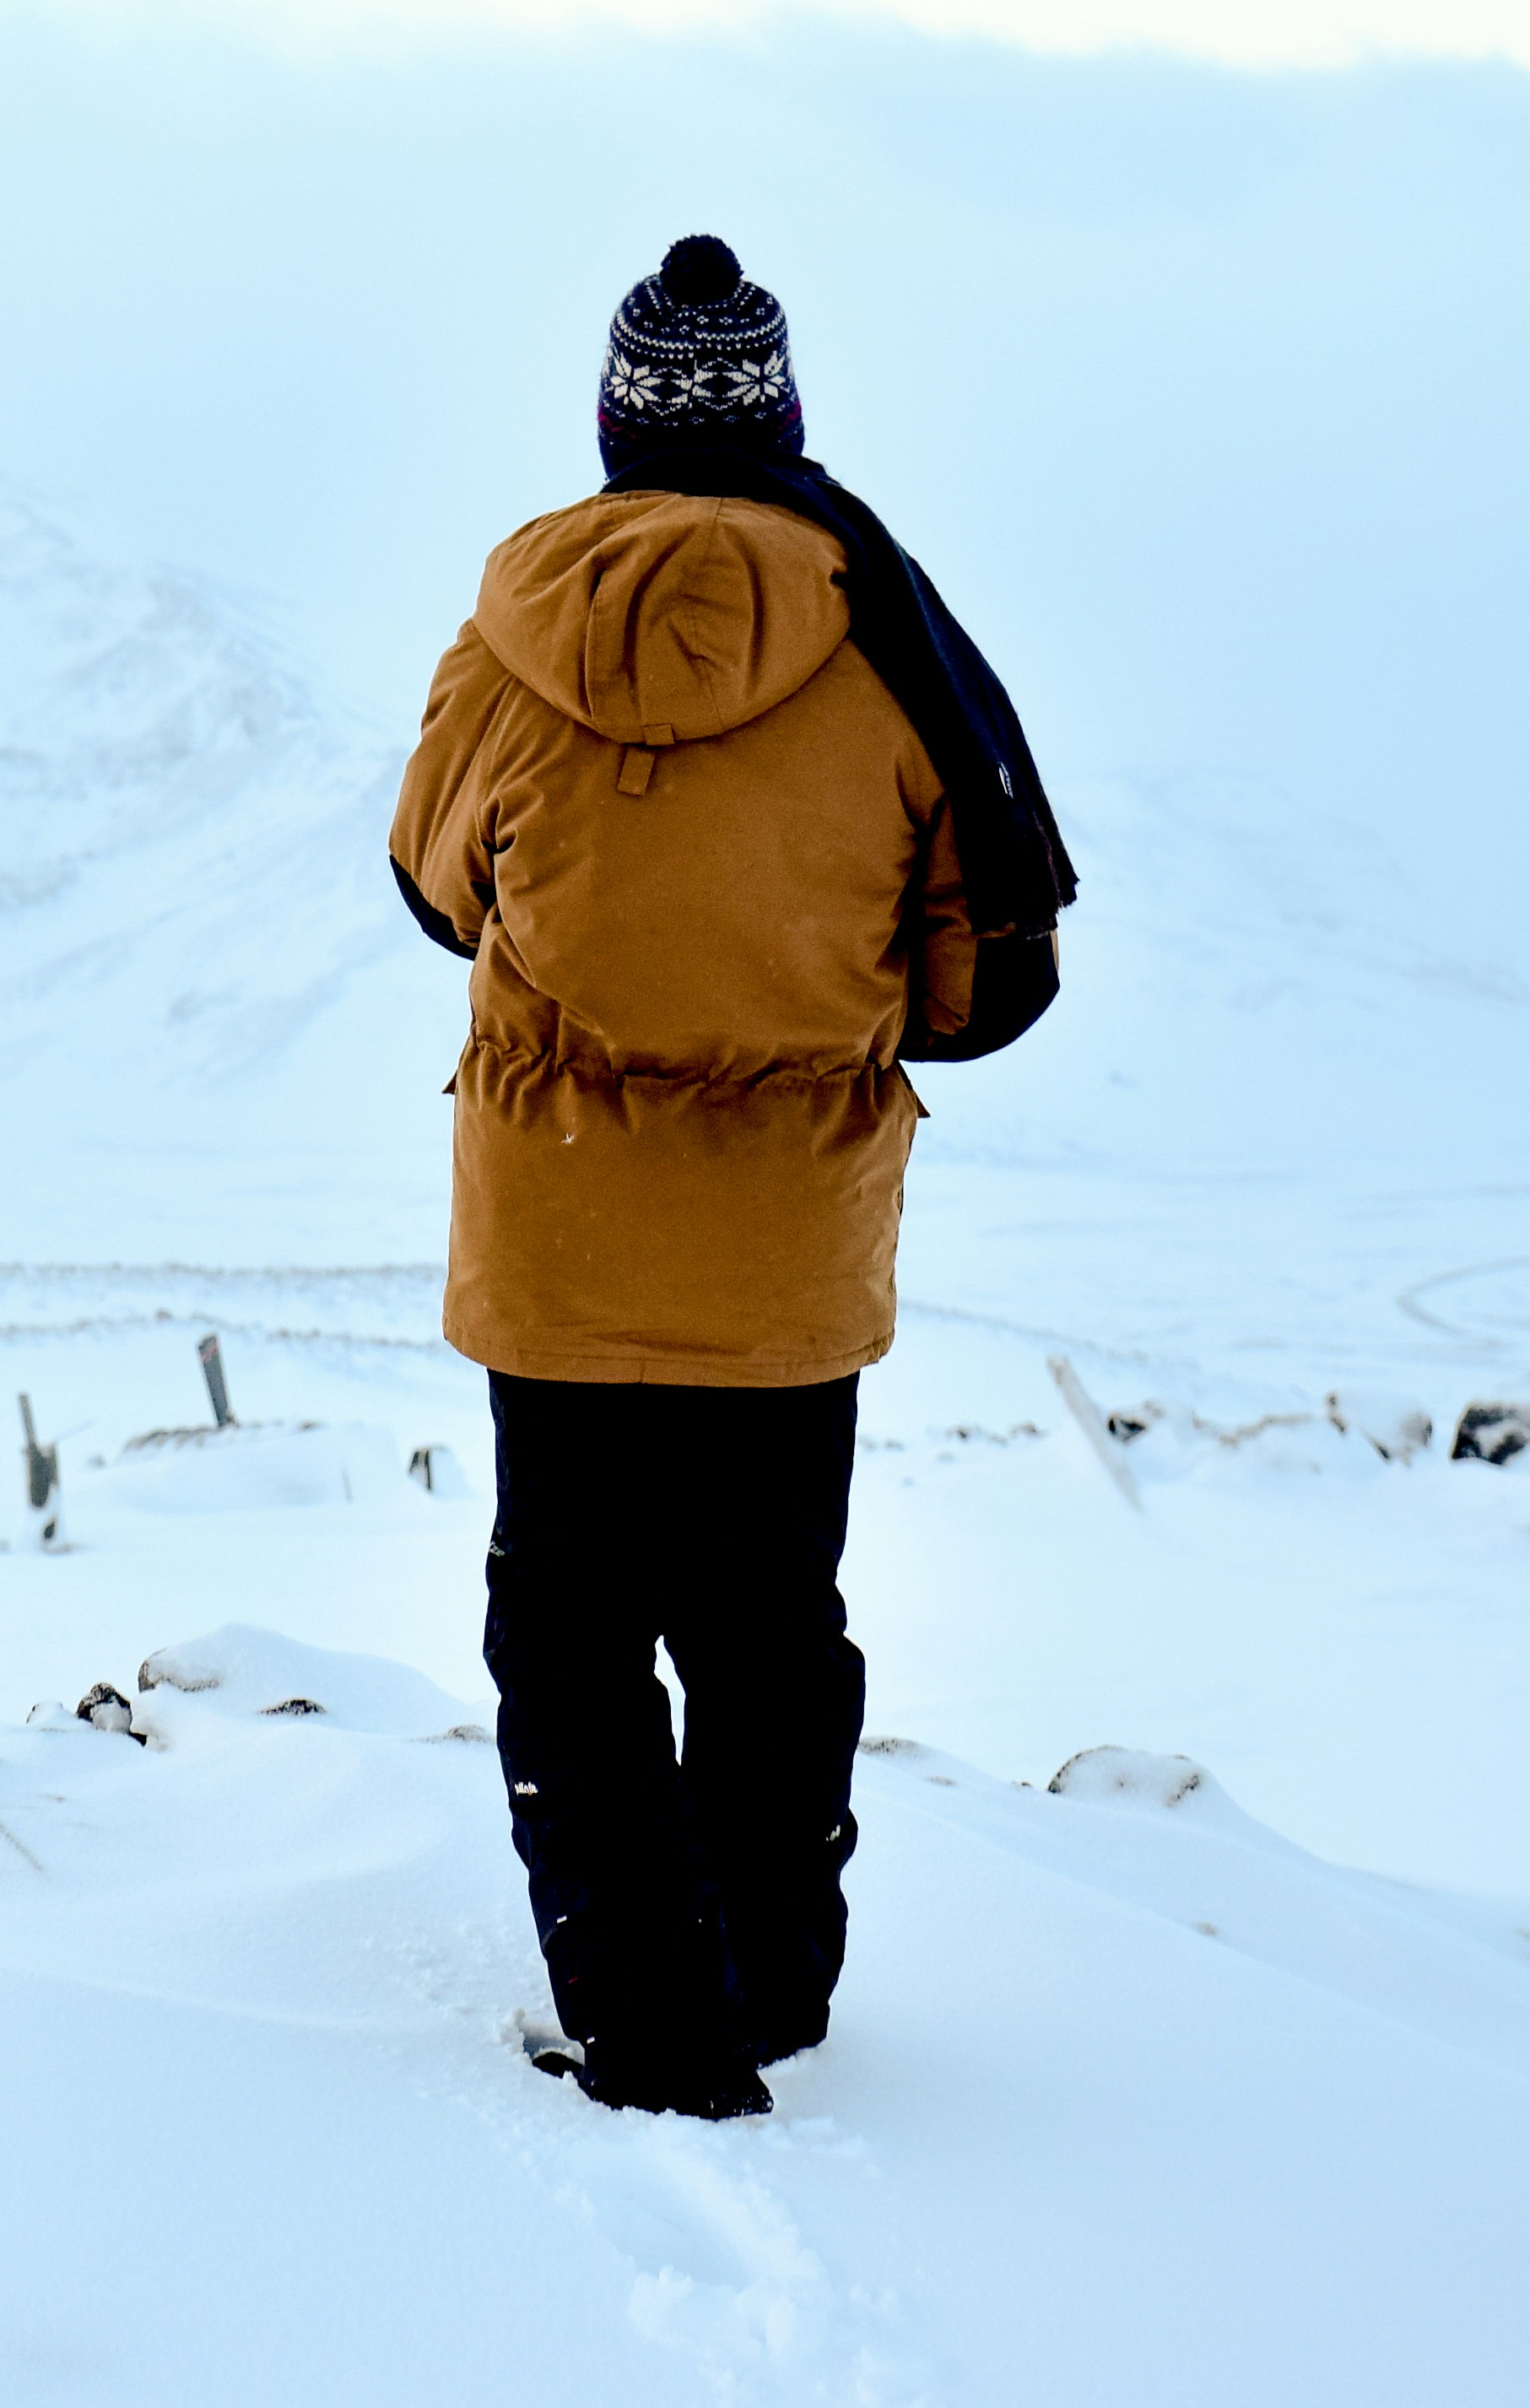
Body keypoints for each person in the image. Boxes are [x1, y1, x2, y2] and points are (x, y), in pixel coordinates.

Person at [387, 235, 1072, 2118]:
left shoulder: (511, 634)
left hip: (562, 1231)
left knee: (573, 1634)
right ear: (782, 421)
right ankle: (760, 1987)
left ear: (614, 420)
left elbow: (433, 882)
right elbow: (977, 981)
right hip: (787, 1259)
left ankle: (645, 2013)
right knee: (770, 1632)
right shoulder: (884, 647)